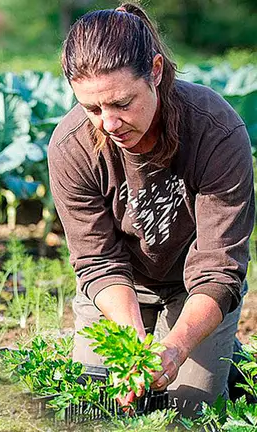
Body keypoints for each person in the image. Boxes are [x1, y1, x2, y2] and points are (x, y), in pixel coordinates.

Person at [47, 2, 254, 417]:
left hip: (194, 288)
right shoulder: (70, 147)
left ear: (155, 72)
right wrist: (135, 346)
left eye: (122, 103)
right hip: (118, 290)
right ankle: (213, 349)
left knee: (189, 411)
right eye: (91, 108)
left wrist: (174, 350)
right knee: (96, 406)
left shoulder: (215, 131)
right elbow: (97, 262)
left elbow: (219, 267)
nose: (108, 123)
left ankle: (224, 354)